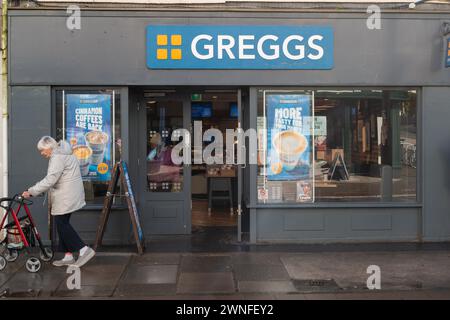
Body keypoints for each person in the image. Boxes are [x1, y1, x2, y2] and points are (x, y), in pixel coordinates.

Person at [22, 136, 95, 268]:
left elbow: (51, 180)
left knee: (61, 223)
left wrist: (31, 191)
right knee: (62, 222)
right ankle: (68, 256)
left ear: (49, 148)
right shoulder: (64, 153)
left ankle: (84, 250)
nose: (42, 153)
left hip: (66, 195)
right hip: (70, 193)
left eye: (43, 150)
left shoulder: (57, 157)